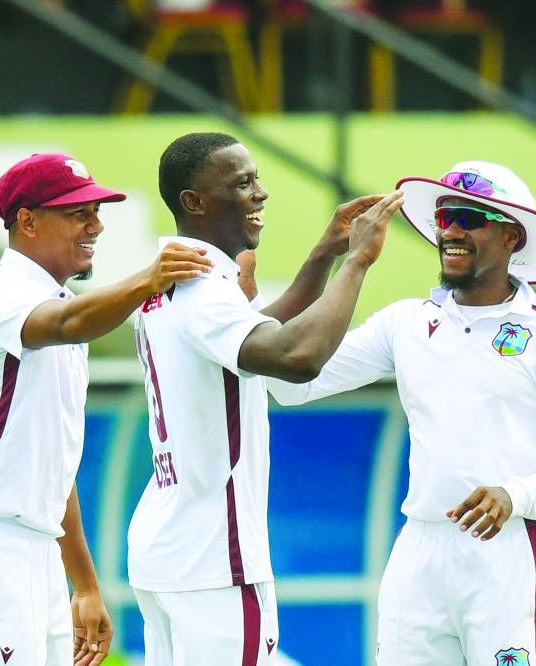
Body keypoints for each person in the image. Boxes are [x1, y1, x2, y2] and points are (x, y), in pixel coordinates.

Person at [267, 160, 536, 665]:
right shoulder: (406, 323)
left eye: (470, 218)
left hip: (510, 547)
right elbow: (290, 383)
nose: (450, 229)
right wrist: (329, 256)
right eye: (445, 216)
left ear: (512, 237)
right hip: (420, 547)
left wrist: (515, 495)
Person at [0, 152, 214, 666]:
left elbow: (57, 467)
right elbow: (68, 322)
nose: (95, 225)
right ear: (27, 221)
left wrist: (85, 586)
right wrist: (148, 279)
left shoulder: (57, 309)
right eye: (78, 213)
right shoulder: (0, 292)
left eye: (96, 212)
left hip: (33, 548)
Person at [127, 132, 403, 664]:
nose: (261, 193)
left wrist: (324, 253)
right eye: (243, 182)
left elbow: (259, 330)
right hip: (216, 558)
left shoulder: (172, 278)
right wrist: (358, 264)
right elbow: (296, 359)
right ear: (195, 202)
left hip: (169, 550)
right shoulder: (204, 288)